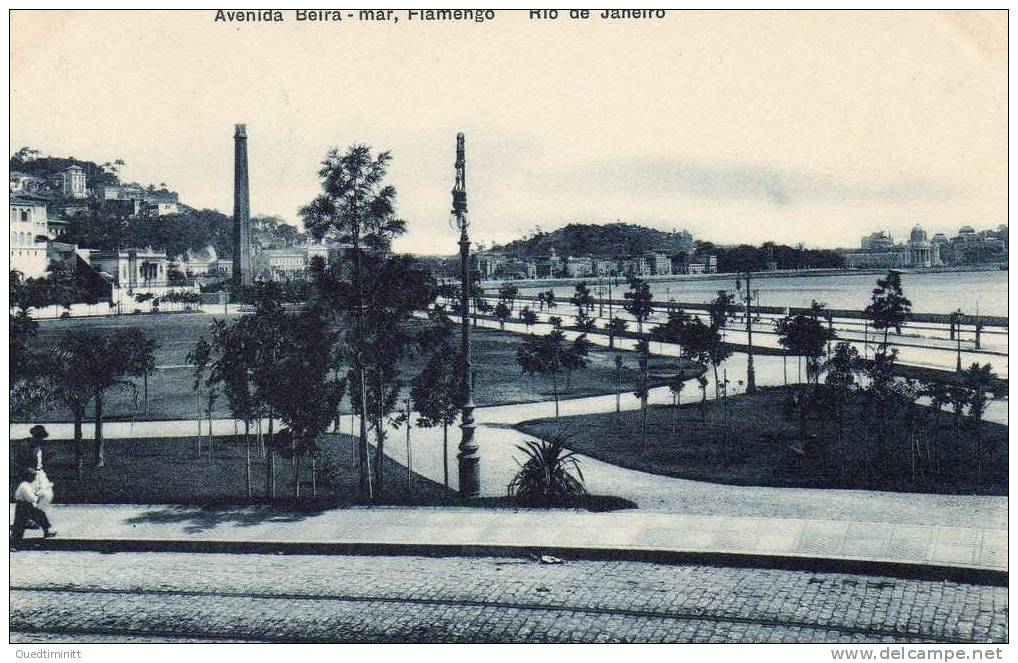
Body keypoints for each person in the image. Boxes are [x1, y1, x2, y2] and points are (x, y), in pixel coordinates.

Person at [11, 468, 56, 541]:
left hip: (26, 505)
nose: (35, 477)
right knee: (19, 524)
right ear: (28, 476)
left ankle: (46, 532)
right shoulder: (24, 486)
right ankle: (13, 544)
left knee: (40, 515)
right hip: (23, 506)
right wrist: (39, 495)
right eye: (33, 476)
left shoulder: (28, 484)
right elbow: (31, 498)